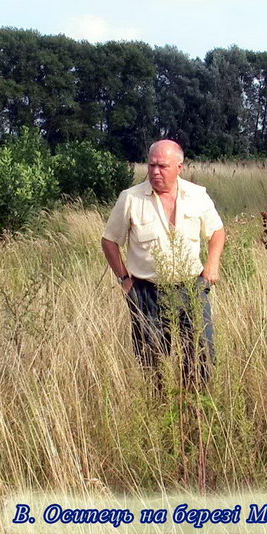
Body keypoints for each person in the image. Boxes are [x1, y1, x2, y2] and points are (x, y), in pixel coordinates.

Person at [101, 140, 225, 392]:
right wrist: (124, 279)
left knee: (201, 356)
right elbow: (109, 240)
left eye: (163, 166)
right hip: (148, 293)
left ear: (179, 167)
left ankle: (194, 407)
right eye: (151, 165)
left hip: (192, 289)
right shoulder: (131, 198)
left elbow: (217, 231)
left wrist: (212, 264)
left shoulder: (197, 195)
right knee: (153, 361)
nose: (155, 171)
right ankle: (160, 406)